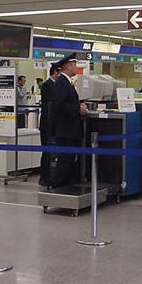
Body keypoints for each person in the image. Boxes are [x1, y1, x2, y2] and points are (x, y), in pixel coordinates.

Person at [52, 53, 88, 187]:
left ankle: (65, 185)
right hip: (66, 129)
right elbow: (59, 105)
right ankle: (58, 186)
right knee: (65, 159)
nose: (76, 67)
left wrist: (79, 105)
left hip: (70, 129)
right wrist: (77, 109)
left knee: (69, 158)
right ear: (68, 66)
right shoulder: (62, 83)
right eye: (74, 65)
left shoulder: (66, 82)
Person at [38, 63, 61, 186]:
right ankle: (44, 177)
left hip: (53, 123)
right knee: (46, 151)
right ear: (55, 72)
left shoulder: (55, 85)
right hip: (47, 124)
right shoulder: (47, 85)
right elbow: (52, 101)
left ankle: (52, 176)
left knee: (52, 152)